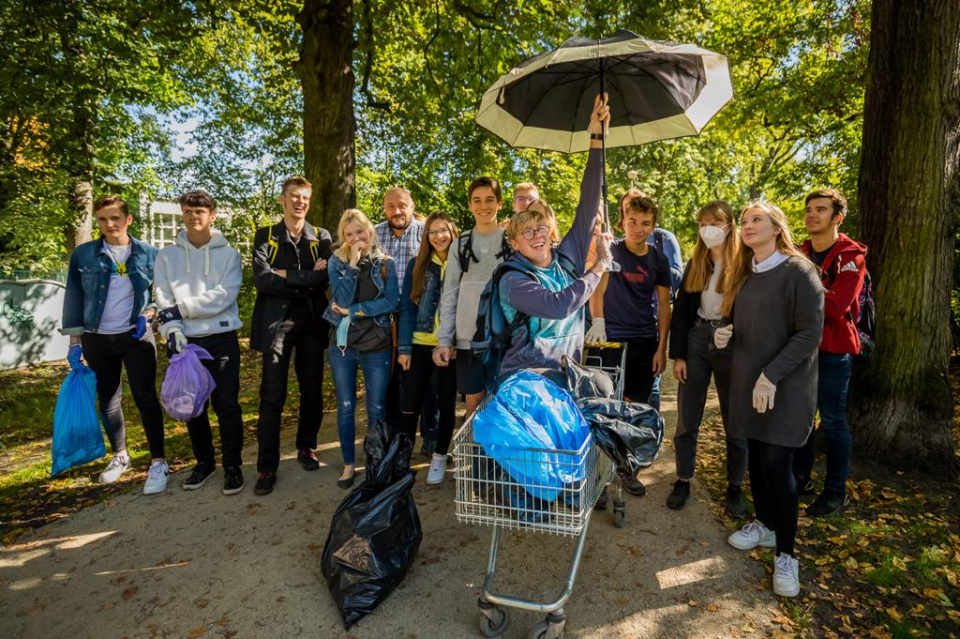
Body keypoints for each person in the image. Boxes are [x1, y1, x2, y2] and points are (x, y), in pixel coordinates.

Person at [721, 201, 823, 599]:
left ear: (778, 227)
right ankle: (764, 525)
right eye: (744, 222)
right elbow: (748, 323)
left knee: (778, 464)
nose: (747, 226)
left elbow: (808, 334)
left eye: (756, 220)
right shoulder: (746, 273)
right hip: (750, 384)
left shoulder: (799, 271)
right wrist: (725, 334)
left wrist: (772, 376)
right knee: (759, 459)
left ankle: (786, 554)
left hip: (787, 387)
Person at [61, 195, 168, 494]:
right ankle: (120, 455)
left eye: (115, 218)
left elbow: (163, 293)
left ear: (128, 219)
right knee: (107, 397)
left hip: (136, 337)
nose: (109, 225)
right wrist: (75, 342)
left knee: (145, 396)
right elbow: (75, 297)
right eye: (103, 219)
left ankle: (158, 461)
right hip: (97, 338)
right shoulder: (84, 255)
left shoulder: (149, 254)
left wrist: (151, 314)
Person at [154, 190, 245, 495]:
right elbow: (163, 297)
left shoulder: (229, 255)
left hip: (221, 339)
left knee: (227, 405)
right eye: (189, 211)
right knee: (193, 408)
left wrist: (180, 309)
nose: (195, 217)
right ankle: (205, 463)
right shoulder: (167, 256)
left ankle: (233, 466)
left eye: (200, 212)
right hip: (185, 340)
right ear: (183, 214)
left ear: (212, 216)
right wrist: (173, 330)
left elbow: (224, 296)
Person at [250, 176, 332, 496]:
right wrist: (306, 278)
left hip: (312, 324)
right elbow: (262, 280)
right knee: (273, 395)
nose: (300, 202)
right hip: (277, 325)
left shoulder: (321, 237)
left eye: (305, 198)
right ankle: (266, 467)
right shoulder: (266, 235)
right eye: (294, 196)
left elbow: (323, 280)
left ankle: (306, 447)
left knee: (312, 390)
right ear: (282, 200)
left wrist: (287, 275)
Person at [666, 201, 748, 517]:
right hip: (699, 338)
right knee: (687, 417)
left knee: (735, 418)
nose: (707, 228)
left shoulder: (745, 262)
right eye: (702, 222)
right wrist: (680, 356)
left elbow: (752, 309)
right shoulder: (696, 262)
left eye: (714, 222)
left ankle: (735, 487)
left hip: (731, 342)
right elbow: (682, 313)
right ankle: (683, 479)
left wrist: (735, 330)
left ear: (729, 225)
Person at [792, 189, 866, 516]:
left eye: (820, 209)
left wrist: (802, 290)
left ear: (837, 217)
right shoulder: (798, 251)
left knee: (833, 422)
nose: (811, 215)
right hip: (801, 349)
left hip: (834, 351)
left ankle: (836, 493)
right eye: (809, 209)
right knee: (803, 418)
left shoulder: (851, 254)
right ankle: (801, 478)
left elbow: (836, 308)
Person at [325, 209, 399, 488]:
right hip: (343, 344)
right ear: (343, 237)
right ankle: (348, 464)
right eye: (349, 234)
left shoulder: (386, 264)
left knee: (377, 406)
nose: (357, 238)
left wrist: (355, 310)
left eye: (360, 232)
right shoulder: (336, 262)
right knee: (345, 405)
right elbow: (339, 297)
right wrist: (353, 265)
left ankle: (374, 461)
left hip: (376, 344)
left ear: (370, 231)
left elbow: (391, 301)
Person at [434, 176, 510, 419]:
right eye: (476, 200)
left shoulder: (512, 241)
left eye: (489, 199)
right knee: (474, 403)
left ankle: (500, 458)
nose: (483, 206)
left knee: (504, 401)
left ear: (499, 204)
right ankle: (475, 457)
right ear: (469, 205)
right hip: (468, 338)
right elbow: (450, 294)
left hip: (505, 338)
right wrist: (444, 339)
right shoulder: (461, 244)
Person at [397, 212, 459, 483]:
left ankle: (439, 457)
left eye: (443, 230)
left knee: (446, 405)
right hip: (421, 344)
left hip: (450, 348)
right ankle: (401, 458)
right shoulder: (418, 264)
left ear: (452, 232)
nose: (438, 236)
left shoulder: (462, 265)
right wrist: (404, 348)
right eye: (432, 232)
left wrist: (457, 342)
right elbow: (407, 309)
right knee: (410, 403)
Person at [375, 188, 438, 452]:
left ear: (412, 206)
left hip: (417, 312)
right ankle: (392, 433)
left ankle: (430, 434)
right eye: (390, 206)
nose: (396, 211)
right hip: (384, 317)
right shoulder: (374, 234)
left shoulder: (426, 232)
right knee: (390, 378)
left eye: (402, 205)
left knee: (422, 376)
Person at [613, 188, 683, 412]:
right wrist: (597, 322)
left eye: (645, 223)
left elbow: (664, 306)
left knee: (637, 408)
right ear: (623, 220)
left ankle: (639, 445)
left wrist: (662, 348)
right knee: (608, 405)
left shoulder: (659, 259)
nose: (638, 229)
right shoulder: (609, 251)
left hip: (644, 340)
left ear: (653, 227)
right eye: (632, 221)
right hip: (610, 340)